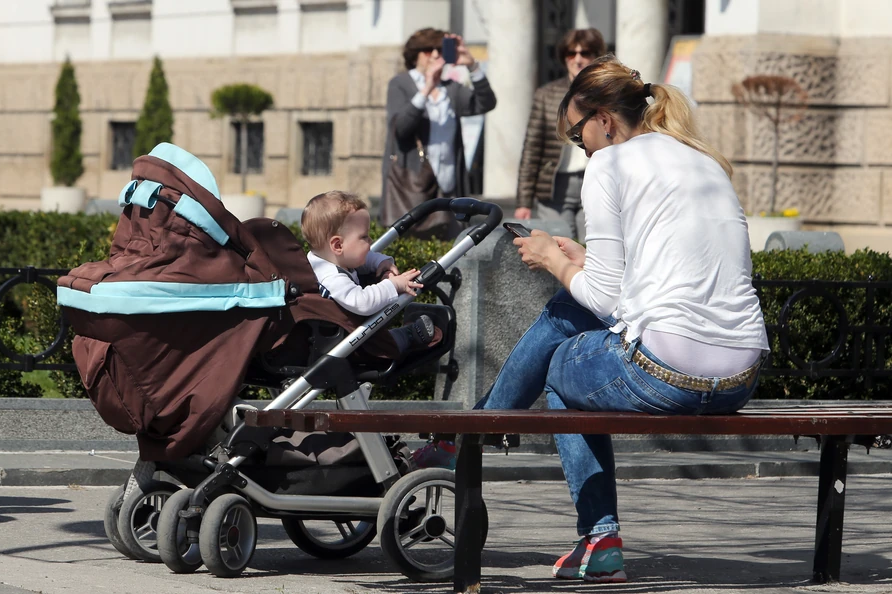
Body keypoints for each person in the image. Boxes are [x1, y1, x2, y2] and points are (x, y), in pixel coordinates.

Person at [481, 55, 769, 582]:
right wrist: (579, 260)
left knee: (562, 363)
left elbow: (607, 302)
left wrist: (551, 259)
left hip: (668, 376)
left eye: (576, 134)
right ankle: (478, 430)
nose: (580, 146)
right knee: (571, 309)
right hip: (740, 378)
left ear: (604, 121)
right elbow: (660, 276)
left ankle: (595, 532)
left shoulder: (609, 164)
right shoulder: (700, 159)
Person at [379, 28, 497, 240]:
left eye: (440, 50)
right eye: (427, 50)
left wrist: (472, 65)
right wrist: (425, 90)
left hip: (449, 184)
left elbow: (486, 102)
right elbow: (401, 129)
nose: (435, 55)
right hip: (412, 185)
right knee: (413, 247)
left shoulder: (450, 89)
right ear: (415, 54)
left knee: (451, 249)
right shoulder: (401, 84)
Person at [301, 190, 436, 354]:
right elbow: (362, 302)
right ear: (338, 245)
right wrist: (393, 285)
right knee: (383, 342)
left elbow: (361, 259)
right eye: (364, 237)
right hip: (349, 344)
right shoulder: (330, 277)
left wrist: (381, 262)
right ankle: (408, 335)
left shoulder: (326, 259)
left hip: (345, 334)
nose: (370, 240)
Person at [515, 28, 606, 242]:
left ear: (595, 56)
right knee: (559, 246)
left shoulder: (606, 93)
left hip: (594, 178)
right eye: (571, 54)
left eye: (585, 53)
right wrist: (523, 201)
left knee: (593, 246)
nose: (578, 59)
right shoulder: (546, 94)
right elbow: (532, 148)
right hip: (555, 185)